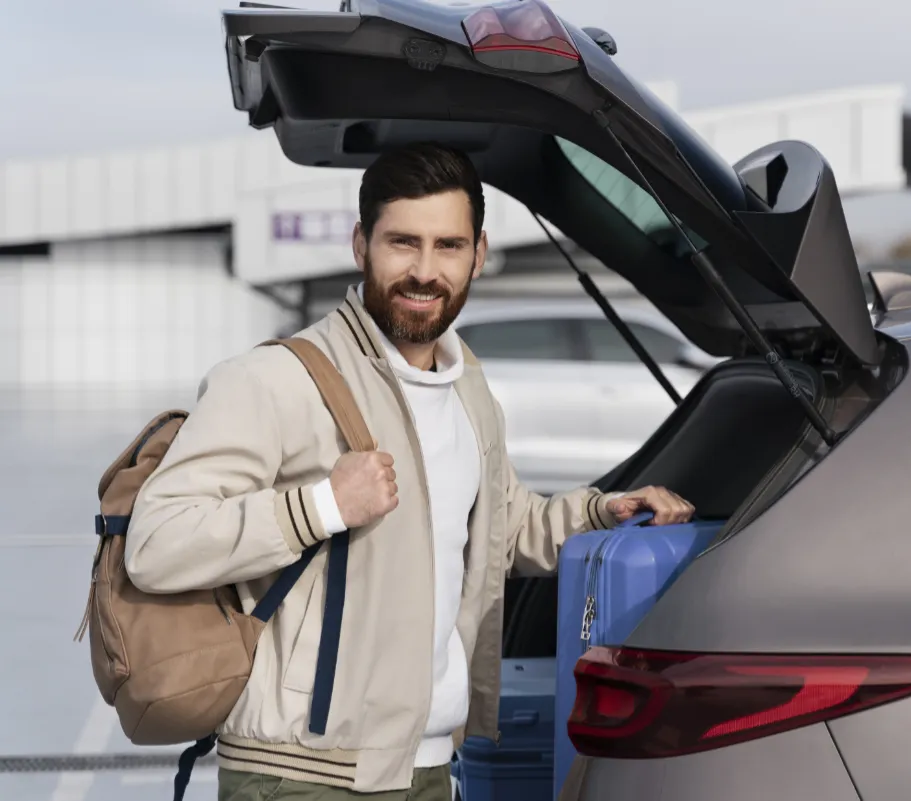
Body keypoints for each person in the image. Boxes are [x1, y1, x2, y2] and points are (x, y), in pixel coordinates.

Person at [124, 142, 694, 801]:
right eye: (403, 243)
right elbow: (156, 540)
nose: (425, 271)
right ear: (362, 244)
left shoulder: (466, 388)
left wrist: (601, 513)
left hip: (427, 764)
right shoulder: (277, 378)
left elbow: (500, 530)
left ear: (478, 254)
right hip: (300, 776)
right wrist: (320, 506)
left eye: (447, 246)